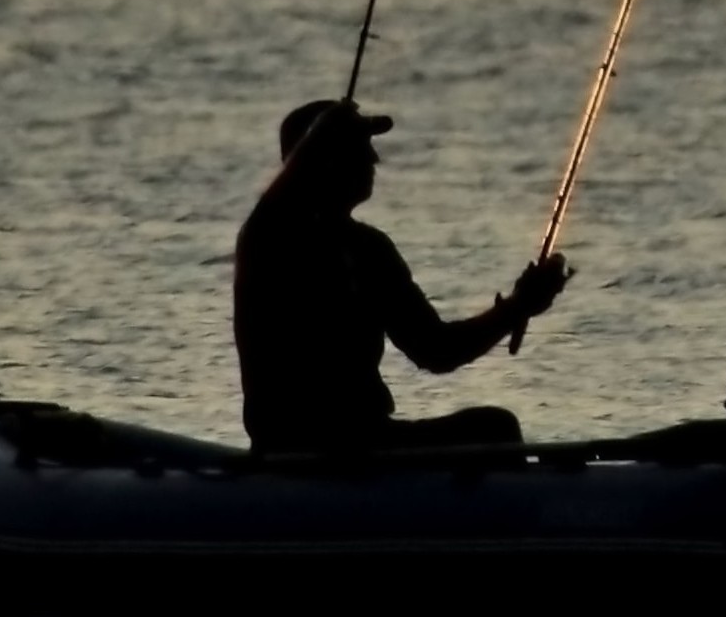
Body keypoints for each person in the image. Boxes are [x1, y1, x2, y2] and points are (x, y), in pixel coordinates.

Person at [233, 99, 569, 453]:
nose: (373, 160)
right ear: (321, 159)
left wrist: (517, 308)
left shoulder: (370, 248)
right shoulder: (267, 240)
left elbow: (437, 350)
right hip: (292, 448)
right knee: (496, 429)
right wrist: (324, 135)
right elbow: (279, 202)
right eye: (358, 148)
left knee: (494, 426)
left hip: (370, 439)